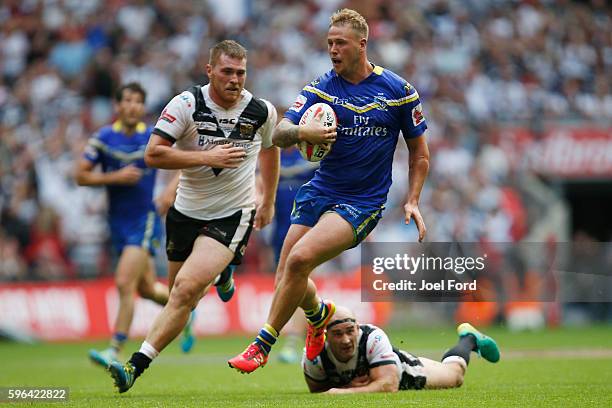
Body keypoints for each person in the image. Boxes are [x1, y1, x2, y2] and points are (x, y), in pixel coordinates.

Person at [229, 8, 430, 373]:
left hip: (361, 203)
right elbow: (279, 134)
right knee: (287, 271)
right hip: (320, 191)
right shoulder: (321, 88)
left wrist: (413, 199)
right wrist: (305, 133)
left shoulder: (398, 92)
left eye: (340, 43)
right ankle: (319, 315)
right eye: (329, 44)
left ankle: (261, 346)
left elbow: (419, 153)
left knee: (299, 259)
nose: (333, 50)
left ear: (362, 45)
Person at [107, 40, 280, 393]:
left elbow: (270, 152)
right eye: (227, 71)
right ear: (210, 70)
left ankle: (134, 365)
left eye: (241, 72)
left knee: (186, 290)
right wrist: (206, 157)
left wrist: (269, 201)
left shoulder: (261, 111)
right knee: (176, 295)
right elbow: (153, 154)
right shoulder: (186, 104)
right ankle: (224, 274)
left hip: (233, 214)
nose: (235, 79)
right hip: (185, 213)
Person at [75, 83, 190, 368]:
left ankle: (114, 349)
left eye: (138, 101)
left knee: (124, 282)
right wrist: (114, 178)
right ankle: (186, 307)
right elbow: (80, 176)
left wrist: (168, 193)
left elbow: (187, 162)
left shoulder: (152, 136)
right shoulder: (103, 138)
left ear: (142, 107)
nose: (133, 106)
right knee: (148, 289)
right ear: (117, 105)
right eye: (127, 100)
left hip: (145, 219)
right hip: (116, 222)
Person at [302, 306, 500, 394]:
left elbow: (389, 385)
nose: (346, 340)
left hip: (404, 372)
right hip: (381, 372)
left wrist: (345, 392)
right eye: (337, 334)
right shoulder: (314, 354)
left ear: (357, 327)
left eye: (350, 331)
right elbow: (319, 391)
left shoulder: (372, 336)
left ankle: (469, 338)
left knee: (455, 376)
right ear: (325, 335)